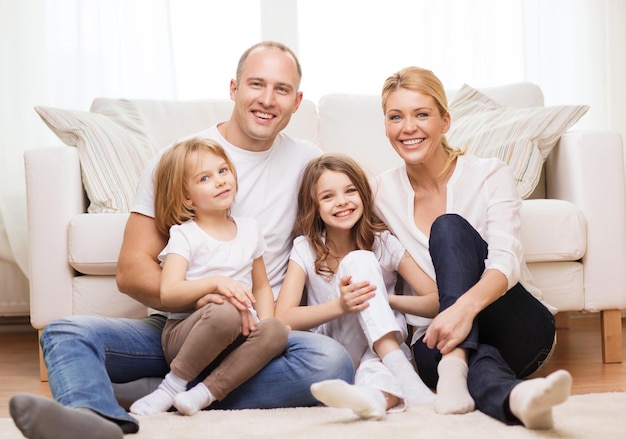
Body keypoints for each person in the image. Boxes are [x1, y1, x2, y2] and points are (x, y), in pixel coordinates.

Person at [9, 41, 354, 439]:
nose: (267, 99)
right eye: (256, 84)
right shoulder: (180, 160)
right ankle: (96, 419)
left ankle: (164, 392)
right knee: (63, 332)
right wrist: (201, 296)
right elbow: (132, 269)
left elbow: (346, 215)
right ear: (234, 88)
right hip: (182, 326)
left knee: (331, 363)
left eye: (281, 89)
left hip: (257, 337)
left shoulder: (308, 161)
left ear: (297, 101)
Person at [369, 66, 572, 429]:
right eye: (396, 117)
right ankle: (517, 399)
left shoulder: (490, 174)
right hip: (436, 342)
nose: (408, 127)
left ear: (445, 121)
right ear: (386, 126)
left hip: (515, 325)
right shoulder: (379, 193)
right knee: (476, 363)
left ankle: (455, 363)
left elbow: (506, 261)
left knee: (448, 228)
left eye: (422, 114)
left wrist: (463, 309)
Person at [128, 138, 289, 416]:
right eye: (205, 178)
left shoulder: (250, 229)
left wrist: (263, 321)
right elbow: (169, 292)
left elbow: (262, 287)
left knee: (276, 330)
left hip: (239, 334)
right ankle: (171, 387)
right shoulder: (185, 235)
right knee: (225, 311)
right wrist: (216, 283)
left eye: (223, 171)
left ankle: (204, 394)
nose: (220, 181)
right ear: (187, 197)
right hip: (187, 338)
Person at [275, 153, 439, 420]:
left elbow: (435, 300)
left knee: (378, 377)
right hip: (335, 349)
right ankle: (403, 372)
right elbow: (283, 316)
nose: (342, 202)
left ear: (363, 194)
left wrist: (384, 299)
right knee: (359, 260)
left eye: (350, 190)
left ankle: (372, 398)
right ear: (314, 206)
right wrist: (341, 305)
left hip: (379, 355)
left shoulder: (384, 242)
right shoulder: (305, 248)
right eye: (328, 196)